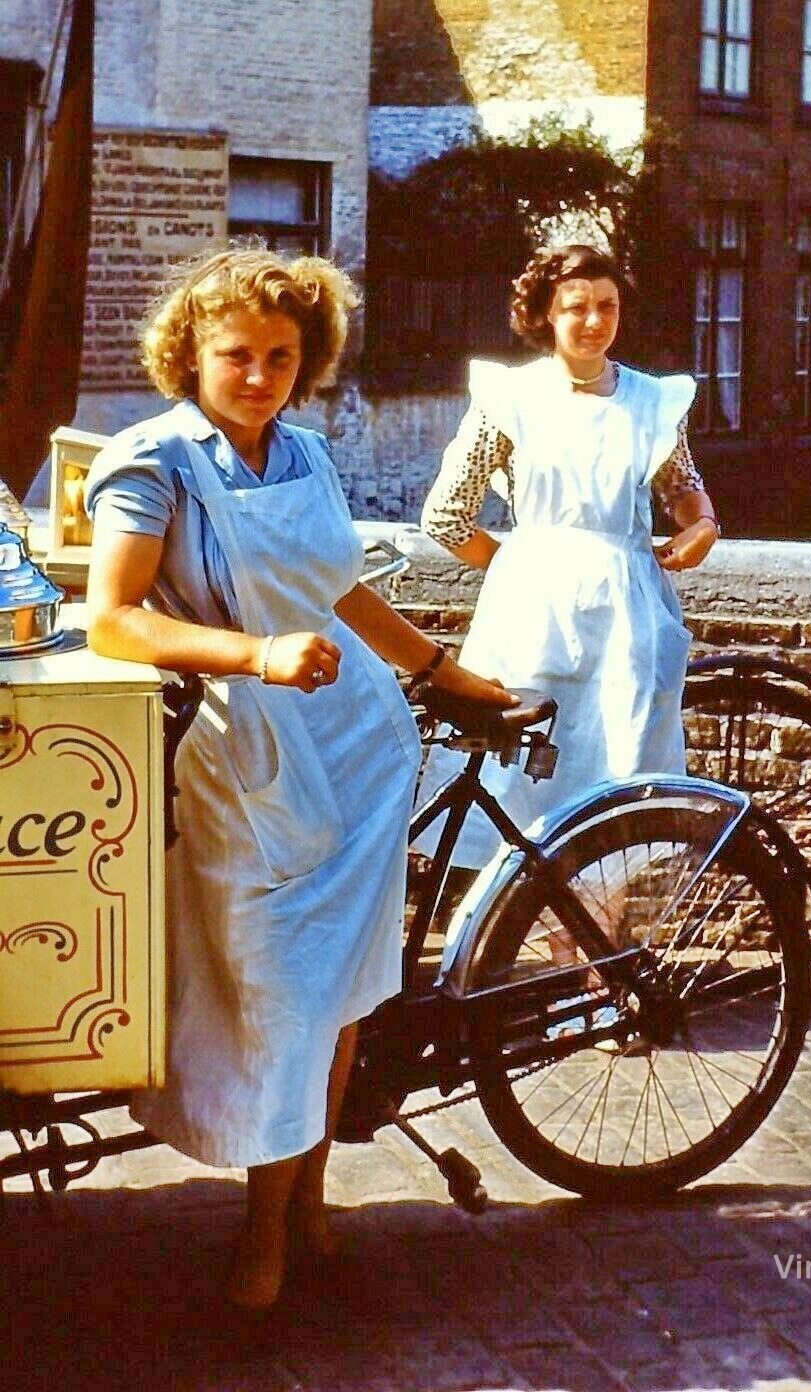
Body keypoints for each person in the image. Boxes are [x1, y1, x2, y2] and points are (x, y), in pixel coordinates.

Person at [84, 246, 513, 1312]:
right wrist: (254, 654)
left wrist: (441, 669)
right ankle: (264, 1230)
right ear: (189, 354)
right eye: (237, 355)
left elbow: (340, 593)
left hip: (358, 746)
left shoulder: (307, 455)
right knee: (275, 994)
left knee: (335, 999)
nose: (260, 376)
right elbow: (115, 619)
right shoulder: (153, 463)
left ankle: (307, 1209)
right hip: (243, 757)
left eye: (282, 356)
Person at [419, 243, 720, 871]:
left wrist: (704, 525)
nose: (593, 321)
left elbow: (682, 486)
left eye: (607, 306)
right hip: (534, 615)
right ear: (546, 316)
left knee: (620, 759)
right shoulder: (511, 399)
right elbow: (446, 514)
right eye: (576, 307)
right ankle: (539, 935)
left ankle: (594, 947)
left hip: (629, 616)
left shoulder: (651, 403)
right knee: (529, 770)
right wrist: (517, 565)